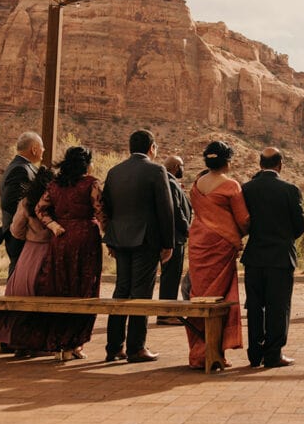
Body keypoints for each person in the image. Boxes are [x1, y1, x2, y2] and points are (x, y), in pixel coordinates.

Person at [102, 130, 175, 364]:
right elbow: (166, 209)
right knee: (141, 293)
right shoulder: (156, 170)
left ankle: (114, 347)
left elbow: (107, 208)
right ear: (152, 147)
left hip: (120, 239)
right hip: (146, 241)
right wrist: (168, 244)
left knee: (121, 291)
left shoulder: (114, 172)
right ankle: (136, 348)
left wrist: (110, 238)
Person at [34, 146, 105, 360]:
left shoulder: (55, 184)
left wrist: (53, 226)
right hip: (85, 239)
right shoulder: (91, 183)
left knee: (59, 287)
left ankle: (58, 345)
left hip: (61, 239)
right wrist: (109, 237)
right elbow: (101, 211)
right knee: (84, 289)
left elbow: (40, 209)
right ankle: (74, 344)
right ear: (86, 163)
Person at [186, 140, 251, 370]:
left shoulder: (196, 184)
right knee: (219, 298)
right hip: (221, 246)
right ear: (228, 161)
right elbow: (243, 219)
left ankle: (198, 352)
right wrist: (240, 235)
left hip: (197, 244)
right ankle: (214, 352)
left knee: (199, 294)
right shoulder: (231, 185)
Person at [241, 147, 304, 368]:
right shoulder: (290, 190)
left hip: (254, 257)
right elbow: (300, 226)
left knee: (255, 306)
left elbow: (242, 222)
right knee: (278, 307)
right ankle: (273, 354)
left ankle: (255, 354)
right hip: (280, 257)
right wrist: (284, 237)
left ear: (260, 164)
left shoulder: (246, 189)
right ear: (280, 165)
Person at [0, 167, 55, 354]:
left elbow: (16, 229)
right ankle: (42, 342)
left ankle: (20, 342)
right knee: (46, 295)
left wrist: (28, 236)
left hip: (29, 253)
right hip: (51, 252)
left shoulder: (27, 202)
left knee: (22, 292)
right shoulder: (56, 202)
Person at [0, 131, 44, 279]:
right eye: (42, 147)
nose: (44, 151)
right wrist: (30, 220)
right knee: (18, 274)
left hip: (17, 232)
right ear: (34, 148)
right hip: (18, 234)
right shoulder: (20, 169)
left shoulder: (21, 166)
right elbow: (9, 203)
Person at [157, 155, 192, 325]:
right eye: (183, 165)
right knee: (170, 277)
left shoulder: (171, 182)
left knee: (171, 276)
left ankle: (167, 312)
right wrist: (187, 229)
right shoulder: (170, 183)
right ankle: (166, 314)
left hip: (174, 237)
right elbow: (176, 210)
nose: (184, 169)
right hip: (174, 238)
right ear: (177, 166)